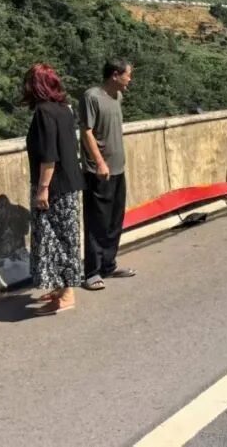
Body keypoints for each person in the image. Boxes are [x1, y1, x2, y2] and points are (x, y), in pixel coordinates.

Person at [23, 63, 84, 315]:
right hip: (69, 182)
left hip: (55, 186)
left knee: (54, 239)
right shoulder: (64, 110)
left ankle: (67, 293)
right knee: (65, 236)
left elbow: (49, 155)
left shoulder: (44, 113)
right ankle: (61, 287)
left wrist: (42, 189)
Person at [80, 58, 135, 291]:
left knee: (114, 219)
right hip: (98, 171)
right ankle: (91, 271)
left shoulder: (117, 97)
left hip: (118, 168)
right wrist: (100, 163)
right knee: (97, 221)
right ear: (115, 75)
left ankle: (109, 264)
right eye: (127, 75)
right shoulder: (91, 97)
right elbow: (86, 132)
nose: (129, 80)